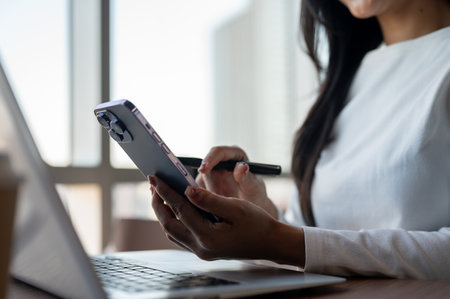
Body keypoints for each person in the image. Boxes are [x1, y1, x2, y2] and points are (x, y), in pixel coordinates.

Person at [149, 0, 450, 280]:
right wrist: (260, 213)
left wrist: (278, 240)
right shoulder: (347, 80)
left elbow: (306, 245)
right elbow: (317, 233)